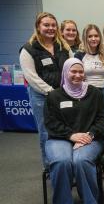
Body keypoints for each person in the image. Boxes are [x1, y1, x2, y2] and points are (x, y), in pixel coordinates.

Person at [43, 58, 104, 204]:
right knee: (62, 161)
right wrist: (71, 135)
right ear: (65, 72)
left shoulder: (94, 93)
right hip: (60, 138)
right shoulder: (54, 96)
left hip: (89, 138)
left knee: (81, 160)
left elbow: (102, 121)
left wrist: (89, 135)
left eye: (80, 72)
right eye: (73, 71)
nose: (77, 75)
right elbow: (50, 123)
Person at [19, 12, 71, 167]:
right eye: (46, 25)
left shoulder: (63, 46)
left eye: (53, 25)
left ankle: (65, 163)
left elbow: (71, 68)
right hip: (41, 97)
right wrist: (51, 92)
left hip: (63, 95)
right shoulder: (28, 49)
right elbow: (31, 77)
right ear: (38, 27)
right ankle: (49, 166)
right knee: (46, 132)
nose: (50, 28)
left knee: (66, 128)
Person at [75, 24, 104, 100]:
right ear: (85, 38)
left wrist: (102, 95)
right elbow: (76, 78)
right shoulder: (79, 55)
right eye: (90, 36)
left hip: (102, 94)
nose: (93, 39)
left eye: (96, 36)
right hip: (85, 94)